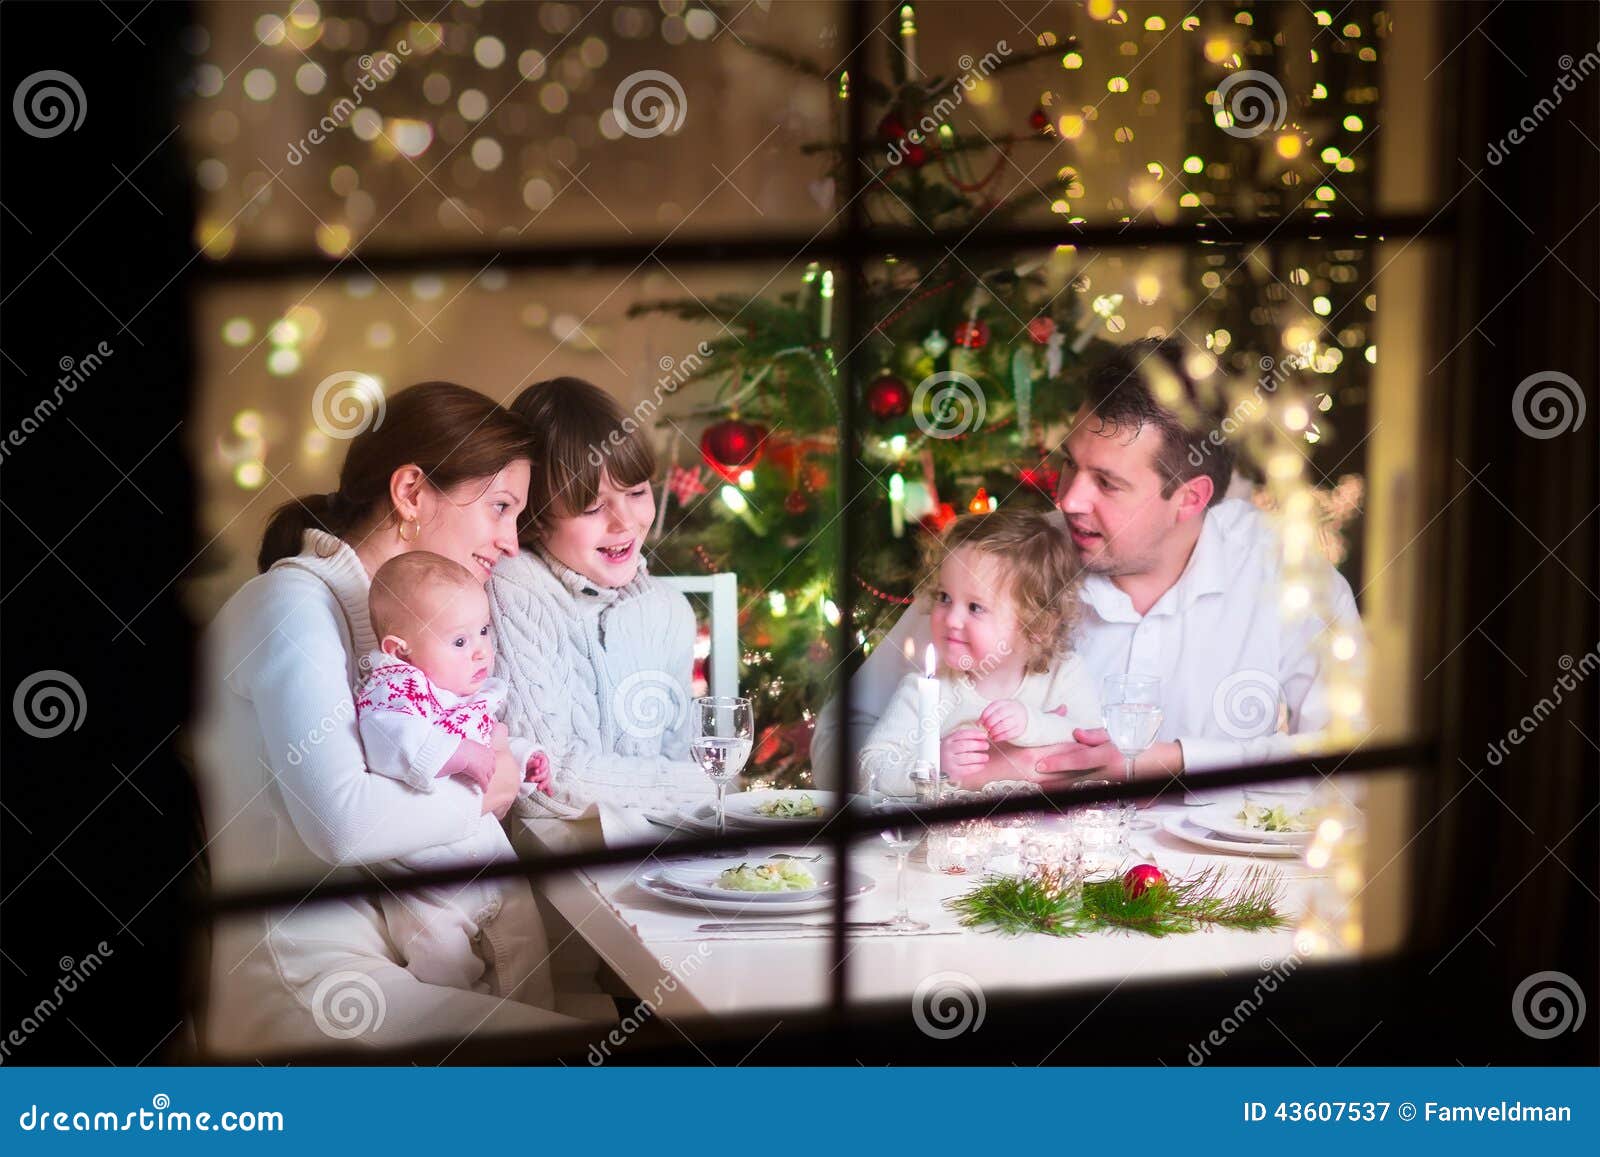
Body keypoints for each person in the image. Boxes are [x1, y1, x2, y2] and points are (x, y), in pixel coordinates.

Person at [193, 381, 590, 1057]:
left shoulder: (386, 633)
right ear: (411, 493)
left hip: (387, 962)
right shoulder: (289, 608)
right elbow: (344, 821)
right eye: (499, 507)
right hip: (310, 986)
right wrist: (482, 788)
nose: (510, 543)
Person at [812, 339, 1363, 794]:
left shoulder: (1285, 575)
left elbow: (1356, 764)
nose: (1069, 499)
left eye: (1108, 483)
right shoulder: (1007, 563)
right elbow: (840, 738)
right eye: (1071, 465)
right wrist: (965, 772)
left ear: (1190, 499)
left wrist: (1174, 761)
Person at [488, 377, 711, 820]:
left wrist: (698, 785)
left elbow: (683, 756)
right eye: (591, 507)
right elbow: (548, 780)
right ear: (535, 517)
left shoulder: (668, 611)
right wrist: (705, 784)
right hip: (558, 857)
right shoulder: (516, 588)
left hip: (656, 843)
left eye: (636, 492)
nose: (624, 522)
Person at [355, 551, 551, 991]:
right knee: (443, 965)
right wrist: (458, 754)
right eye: (459, 642)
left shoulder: (464, 696)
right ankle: (464, 1034)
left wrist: (522, 758)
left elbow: (489, 743)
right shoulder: (396, 691)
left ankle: (535, 1024)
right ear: (399, 650)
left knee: (527, 945)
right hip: (425, 878)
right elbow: (388, 743)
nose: (481, 649)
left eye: (483, 631)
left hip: (490, 856)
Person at [858, 508, 1102, 796]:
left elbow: (1091, 746)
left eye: (975, 607)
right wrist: (933, 763)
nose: (950, 619)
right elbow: (870, 771)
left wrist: (1031, 724)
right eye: (944, 597)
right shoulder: (927, 690)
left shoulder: (1064, 675)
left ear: (1038, 623)